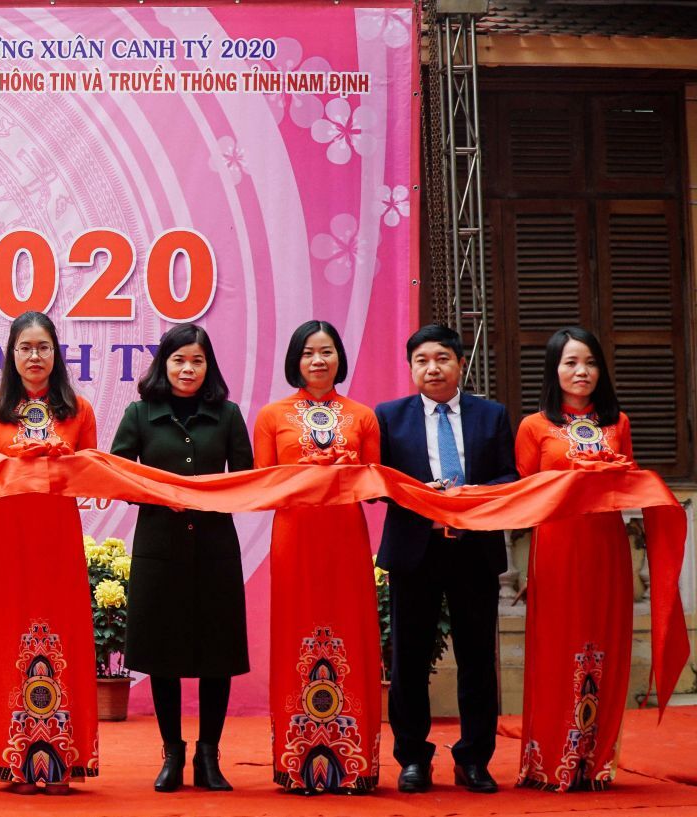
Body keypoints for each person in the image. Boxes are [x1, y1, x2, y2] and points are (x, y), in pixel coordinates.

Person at [110, 323, 252, 793]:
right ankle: (172, 753)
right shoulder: (139, 413)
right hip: (160, 549)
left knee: (218, 655)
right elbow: (118, 475)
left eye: (197, 360)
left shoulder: (228, 414)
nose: (188, 369)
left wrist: (210, 496)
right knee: (162, 654)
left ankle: (209, 755)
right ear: (164, 364)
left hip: (215, 549)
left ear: (208, 366)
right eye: (178, 360)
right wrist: (158, 493)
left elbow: (246, 479)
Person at [375, 324, 515, 795]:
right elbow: (377, 484)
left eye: (441, 359)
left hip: (474, 550)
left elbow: (509, 476)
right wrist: (415, 492)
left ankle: (474, 759)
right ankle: (413, 758)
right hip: (416, 551)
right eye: (421, 360)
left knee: (477, 660)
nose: (432, 368)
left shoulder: (491, 415)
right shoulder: (389, 416)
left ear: (460, 363)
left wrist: (471, 494)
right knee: (409, 661)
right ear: (410, 367)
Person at [0, 311, 99, 795]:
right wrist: (4, 459)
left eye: (43, 347)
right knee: (10, 635)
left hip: (59, 537)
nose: (34, 356)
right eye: (25, 347)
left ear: (55, 353)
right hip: (10, 538)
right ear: (11, 354)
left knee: (63, 635)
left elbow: (92, 475)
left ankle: (61, 759)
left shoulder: (78, 409)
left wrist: (69, 460)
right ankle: (15, 759)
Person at [253, 320, 381, 794]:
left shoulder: (363, 417)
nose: (318, 360)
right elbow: (261, 484)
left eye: (326, 351)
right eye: (308, 352)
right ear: (295, 360)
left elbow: (374, 486)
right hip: (296, 539)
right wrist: (303, 474)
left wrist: (349, 471)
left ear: (339, 358)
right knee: (296, 634)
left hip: (346, 541)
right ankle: (297, 762)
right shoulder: (272, 416)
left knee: (351, 635)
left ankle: (353, 764)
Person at [514, 326, 637, 792]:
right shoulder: (534, 426)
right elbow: (525, 493)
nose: (581, 371)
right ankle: (550, 761)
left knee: (603, 643)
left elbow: (628, 482)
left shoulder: (617, 423)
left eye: (589, 362)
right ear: (554, 369)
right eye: (570, 362)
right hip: (557, 546)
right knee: (556, 647)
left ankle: (596, 761)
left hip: (606, 546)